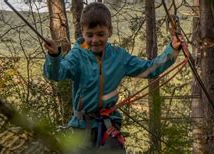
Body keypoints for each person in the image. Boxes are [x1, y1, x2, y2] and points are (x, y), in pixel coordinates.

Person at [43, 2, 182, 153]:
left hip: (107, 126)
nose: (95, 40)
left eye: (100, 34)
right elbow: (56, 74)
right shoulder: (77, 56)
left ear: (110, 31)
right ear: (82, 32)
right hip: (81, 127)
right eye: (89, 35)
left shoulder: (118, 57)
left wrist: (172, 49)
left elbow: (150, 69)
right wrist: (54, 56)